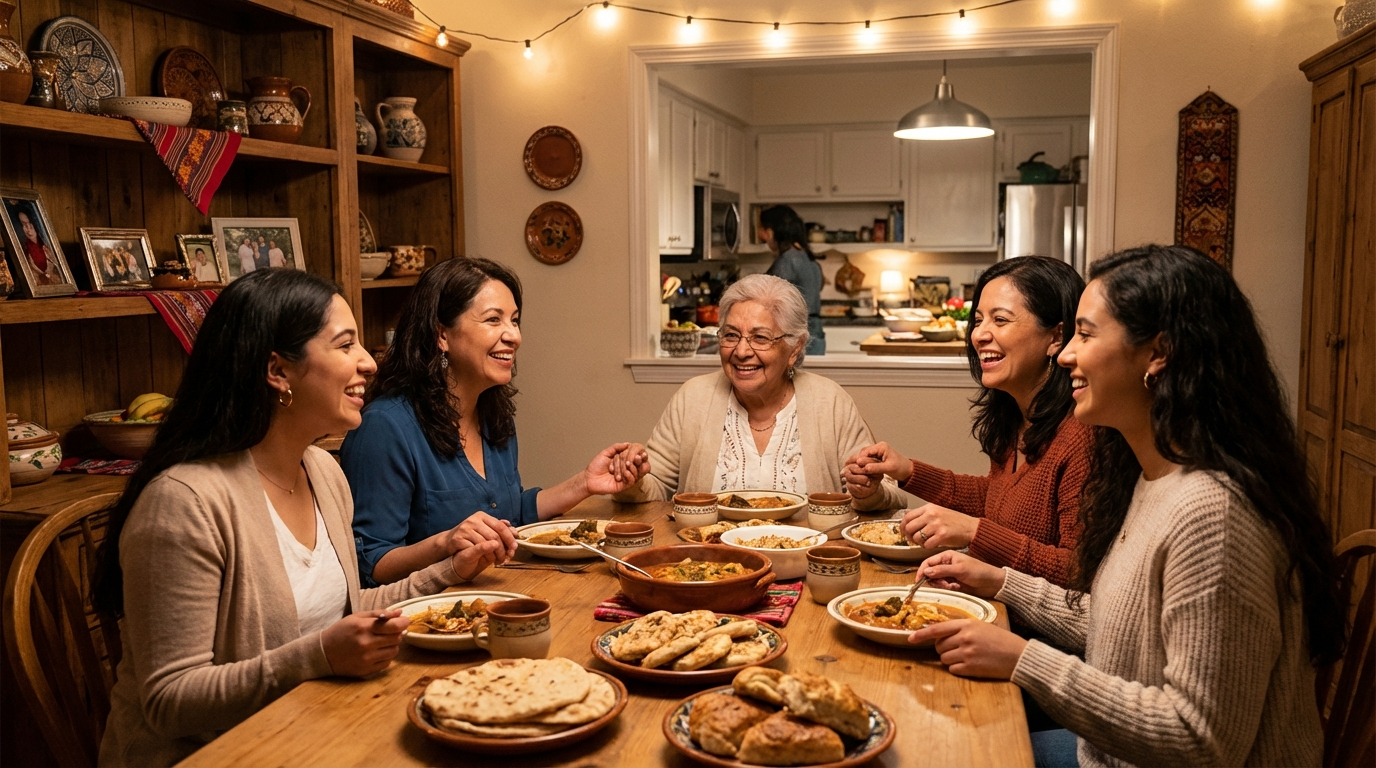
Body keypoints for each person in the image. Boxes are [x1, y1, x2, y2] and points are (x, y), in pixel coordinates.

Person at [906, 245, 1343, 767]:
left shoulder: (1214, 515)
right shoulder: (1150, 477)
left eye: (1085, 335)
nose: (1067, 354)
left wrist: (1024, 660)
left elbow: (1201, 739)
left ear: (1158, 354)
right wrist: (1001, 583)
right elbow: (1119, 626)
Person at [92, 270, 507, 767]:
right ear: (277, 370)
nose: (369, 362)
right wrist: (319, 656)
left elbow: (346, 608)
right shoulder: (184, 503)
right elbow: (170, 701)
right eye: (344, 345)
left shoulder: (322, 470)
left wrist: (451, 570)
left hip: (310, 726)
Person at [340, 257, 649, 586]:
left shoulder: (492, 413)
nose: (513, 335)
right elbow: (369, 566)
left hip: (499, 595)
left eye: (514, 321)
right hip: (423, 621)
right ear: (441, 335)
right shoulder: (385, 427)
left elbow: (509, 514)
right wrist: (446, 542)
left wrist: (585, 484)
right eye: (493, 320)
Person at [844, 256, 1090, 585]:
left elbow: (1076, 571)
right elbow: (998, 499)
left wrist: (974, 531)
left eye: (1000, 320)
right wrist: (907, 470)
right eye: (978, 320)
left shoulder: (1080, 437)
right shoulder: (1015, 417)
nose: (979, 335)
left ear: (1056, 337)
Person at [614, 274, 904, 509]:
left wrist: (867, 493)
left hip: (806, 561)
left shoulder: (830, 402)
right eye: (730, 335)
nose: (741, 351)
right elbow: (656, 486)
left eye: (760, 338)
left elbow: (890, 493)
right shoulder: (693, 398)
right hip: (711, 563)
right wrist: (631, 479)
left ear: (795, 348)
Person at [759, 205, 825, 356]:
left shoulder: (787, 260)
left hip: (798, 336)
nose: (764, 238)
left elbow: (767, 299)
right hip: (815, 333)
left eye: (764, 231)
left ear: (771, 232)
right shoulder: (807, 256)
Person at [14, 207, 64, 285]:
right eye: (23, 224)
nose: (28, 228)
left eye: (30, 223)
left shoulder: (49, 244)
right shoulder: (21, 248)